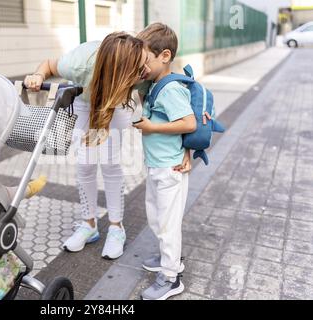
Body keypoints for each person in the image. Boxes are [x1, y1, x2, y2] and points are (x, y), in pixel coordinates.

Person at [25, 32, 150, 259]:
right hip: (86, 104)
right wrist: (37, 75)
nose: (145, 71)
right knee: (85, 164)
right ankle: (89, 224)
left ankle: (116, 228)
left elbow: (146, 87)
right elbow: (49, 65)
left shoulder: (139, 63)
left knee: (110, 165)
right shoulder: (79, 63)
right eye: (140, 68)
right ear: (121, 68)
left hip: (116, 103)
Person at [133, 23, 196, 300]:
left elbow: (189, 123)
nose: (140, 67)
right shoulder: (154, 84)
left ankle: (171, 278)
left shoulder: (171, 89)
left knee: (168, 224)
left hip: (170, 169)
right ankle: (169, 258)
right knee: (157, 218)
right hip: (158, 165)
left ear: (165, 56)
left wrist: (152, 128)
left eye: (144, 61)